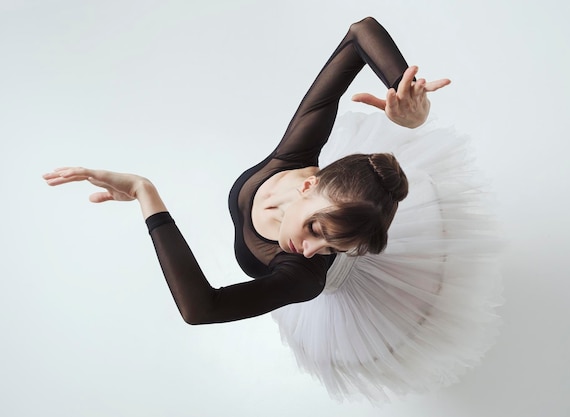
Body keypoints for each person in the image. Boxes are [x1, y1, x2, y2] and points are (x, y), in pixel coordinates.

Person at [43, 17, 502, 402]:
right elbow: (360, 32)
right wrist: (404, 88)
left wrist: (146, 193)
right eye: (316, 228)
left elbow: (201, 308)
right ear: (308, 182)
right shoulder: (294, 155)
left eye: (330, 245)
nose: (308, 250)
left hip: (352, 294)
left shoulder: (304, 276)